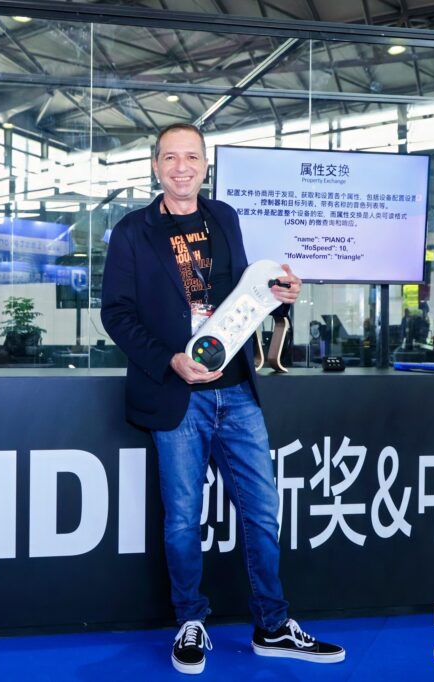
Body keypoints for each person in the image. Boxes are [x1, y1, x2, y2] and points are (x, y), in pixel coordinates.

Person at [101, 122, 344, 675]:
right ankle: (191, 621)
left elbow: (244, 296)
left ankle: (274, 626)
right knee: (183, 520)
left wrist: (280, 298)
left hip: (236, 390)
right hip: (176, 393)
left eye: (192, 157)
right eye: (170, 157)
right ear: (156, 166)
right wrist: (170, 358)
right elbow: (115, 313)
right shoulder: (133, 231)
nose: (181, 167)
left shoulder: (224, 218)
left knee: (262, 514)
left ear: (204, 164)